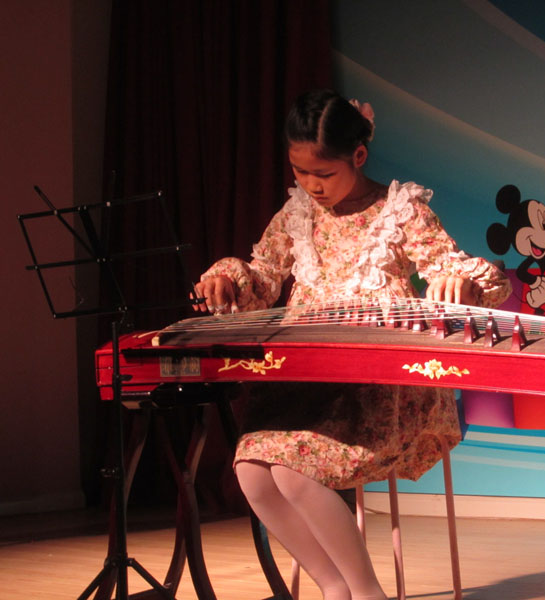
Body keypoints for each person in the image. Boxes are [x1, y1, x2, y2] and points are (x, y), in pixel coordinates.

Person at [192, 89, 511, 600]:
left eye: (324, 173)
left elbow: (452, 267)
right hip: (307, 379)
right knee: (251, 471)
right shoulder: (297, 214)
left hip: (379, 386)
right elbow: (264, 276)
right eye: (300, 172)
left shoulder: (401, 210)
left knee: (294, 472)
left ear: (358, 156)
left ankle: (365, 593)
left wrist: (459, 283)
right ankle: (333, 588)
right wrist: (229, 279)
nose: (312, 186)